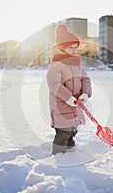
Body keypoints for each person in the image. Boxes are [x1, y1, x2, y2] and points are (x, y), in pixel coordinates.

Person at [46, 24, 92, 155]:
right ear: (61, 47)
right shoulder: (56, 65)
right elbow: (54, 84)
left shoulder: (78, 64)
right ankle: (59, 155)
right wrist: (68, 97)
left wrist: (85, 93)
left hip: (76, 103)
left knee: (72, 130)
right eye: (70, 47)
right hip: (61, 104)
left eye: (76, 47)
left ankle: (71, 153)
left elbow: (85, 79)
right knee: (63, 132)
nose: (74, 50)